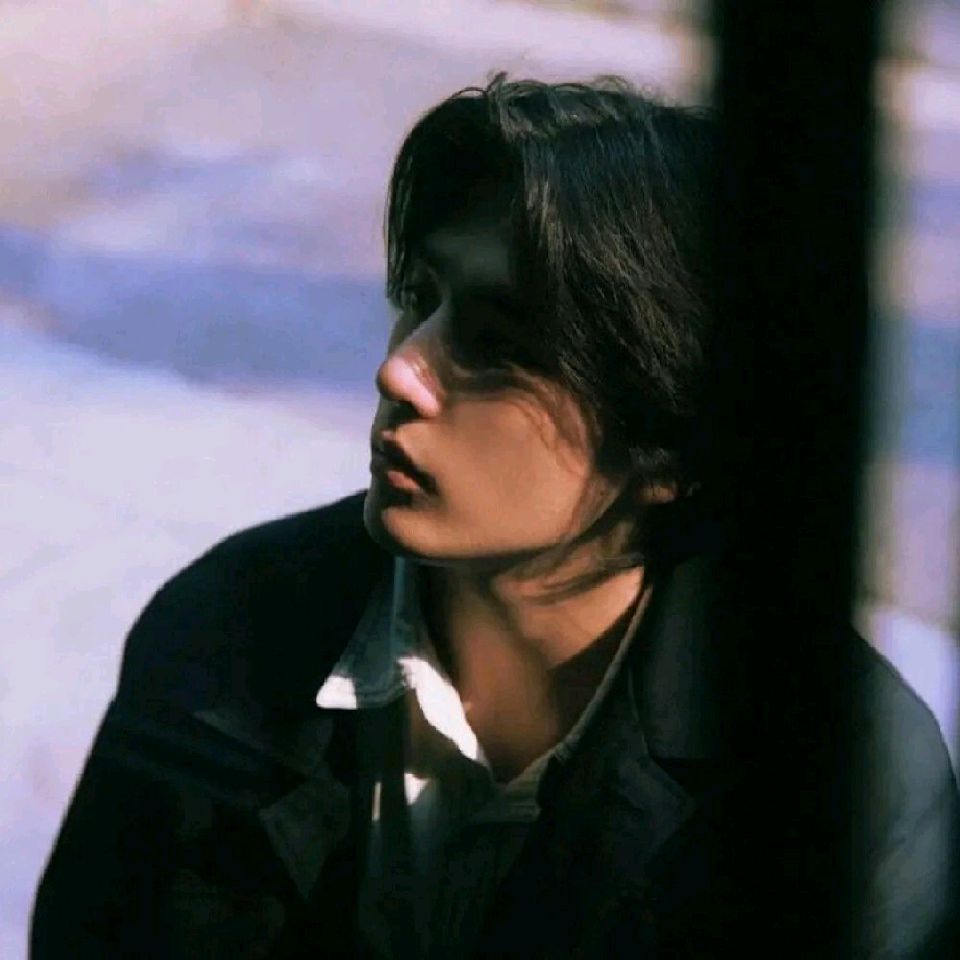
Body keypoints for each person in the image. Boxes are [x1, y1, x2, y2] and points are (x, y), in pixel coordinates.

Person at [31, 74, 958, 959]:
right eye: (420, 299)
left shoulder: (838, 781)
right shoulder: (230, 631)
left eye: (498, 345)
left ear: (668, 447)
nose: (400, 370)